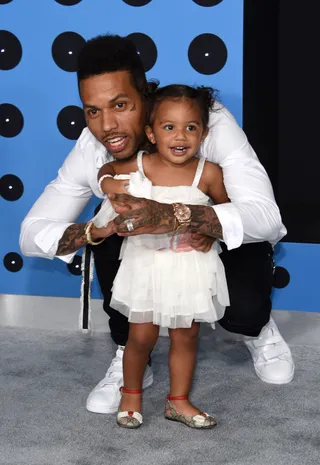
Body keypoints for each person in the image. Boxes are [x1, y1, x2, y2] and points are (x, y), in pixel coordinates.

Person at [19, 34, 294, 417]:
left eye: (120, 105)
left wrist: (181, 217)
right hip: (143, 257)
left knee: (243, 307)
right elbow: (31, 233)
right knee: (111, 223)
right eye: (92, 111)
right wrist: (92, 232)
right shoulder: (92, 147)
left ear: (146, 95)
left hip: (205, 249)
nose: (107, 126)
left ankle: (257, 329)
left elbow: (266, 216)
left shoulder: (200, 119)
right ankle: (130, 351)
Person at [97, 83, 230, 429]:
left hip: (189, 267)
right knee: (140, 337)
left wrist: (210, 229)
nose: (180, 136)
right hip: (146, 264)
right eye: (169, 127)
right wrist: (108, 184)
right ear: (151, 133)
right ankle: (131, 394)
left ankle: (179, 401)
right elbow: (105, 172)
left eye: (191, 127)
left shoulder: (209, 173)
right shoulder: (139, 163)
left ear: (203, 132)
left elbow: (229, 212)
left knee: (186, 336)